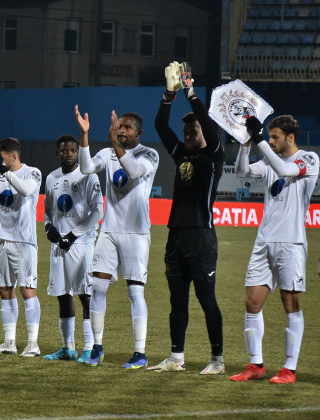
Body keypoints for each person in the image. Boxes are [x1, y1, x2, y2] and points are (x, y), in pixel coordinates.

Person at [230, 115, 318, 384]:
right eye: (268, 136)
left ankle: (289, 369)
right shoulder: (270, 159)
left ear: (290, 138)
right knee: (252, 303)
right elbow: (242, 173)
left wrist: (259, 142)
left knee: (290, 303)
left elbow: (285, 171)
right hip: (264, 241)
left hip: (291, 243)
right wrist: (246, 143)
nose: (270, 141)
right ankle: (256, 364)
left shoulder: (309, 160)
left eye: (275, 137)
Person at [150, 61, 225, 375]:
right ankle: (176, 357)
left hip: (201, 236)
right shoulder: (181, 153)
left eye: (192, 130)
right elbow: (160, 126)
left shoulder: (214, 155)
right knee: (177, 300)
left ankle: (217, 360)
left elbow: (207, 124)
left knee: (206, 299)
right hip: (176, 235)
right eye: (186, 131)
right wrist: (169, 94)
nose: (187, 134)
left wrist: (192, 93)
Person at [76, 108, 159, 368]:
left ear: (139, 133)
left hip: (136, 232)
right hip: (109, 230)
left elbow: (133, 172)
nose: (121, 131)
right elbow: (86, 167)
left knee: (135, 292)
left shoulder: (149, 154)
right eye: (119, 127)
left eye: (127, 128)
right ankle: (97, 348)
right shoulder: (107, 153)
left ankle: (140, 353)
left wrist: (113, 142)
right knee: (97, 287)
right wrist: (85, 135)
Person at [0, 137, 42, 357]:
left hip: (24, 242)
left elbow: (25, 190)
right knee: (5, 289)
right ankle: (9, 342)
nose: (1, 162)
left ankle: (32, 344)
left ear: (13, 157)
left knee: (27, 290)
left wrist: (4, 171)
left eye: (3, 158)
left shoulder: (33, 172)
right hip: (0, 239)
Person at [42, 134, 103, 362]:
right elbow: (48, 210)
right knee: (62, 295)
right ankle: (68, 347)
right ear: (57, 153)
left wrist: (73, 234)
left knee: (85, 295)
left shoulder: (89, 176)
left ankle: (89, 346)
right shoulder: (51, 178)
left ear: (78, 153)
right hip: (60, 245)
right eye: (63, 151)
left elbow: (97, 211)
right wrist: (49, 228)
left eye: (72, 151)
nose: (68, 154)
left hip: (82, 243)